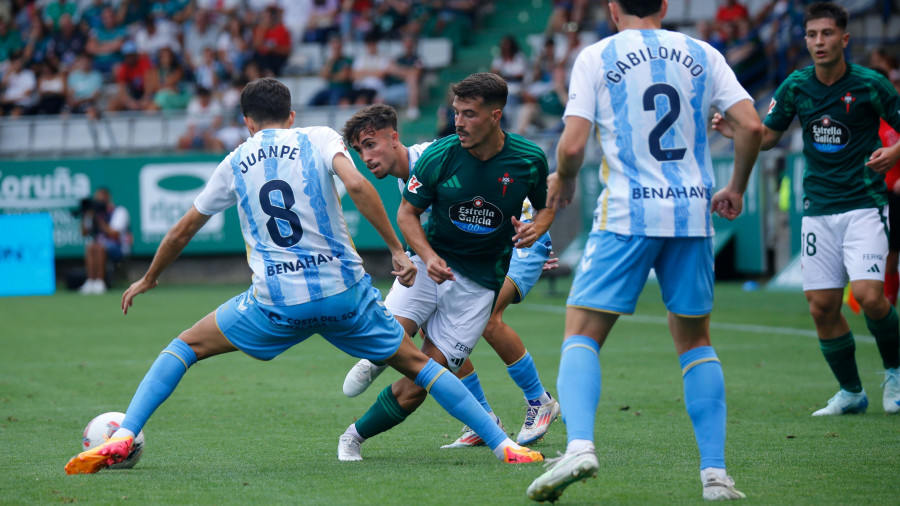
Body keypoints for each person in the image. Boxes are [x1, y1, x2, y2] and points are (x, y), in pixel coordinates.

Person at [63, 77, 542, 475]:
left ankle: (124, 435)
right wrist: (397, 251)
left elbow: (184, 228)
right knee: (421, 366)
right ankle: (506, 446)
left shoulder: (235, 160)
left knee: (184, 347)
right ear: (291, 115)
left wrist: (149, 278)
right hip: (345, 297)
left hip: (275, 303)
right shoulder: (319, 137)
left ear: (248, 123)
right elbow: (356, 185)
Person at [526, 0, 763, 502]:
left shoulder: (597, 55)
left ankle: (581, 446)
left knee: (582, 330)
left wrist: (564, 183)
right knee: (696, 341)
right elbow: (753, 127)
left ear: (612, 9)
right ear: (665, 5)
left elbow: (571, 148)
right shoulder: (702, 52)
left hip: (628, 214)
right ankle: (716, 476)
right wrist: (737, 187)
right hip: (692, 213)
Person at [334, 73, 554, 462]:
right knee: (412, 343)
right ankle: (479, 415)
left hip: (497, 262)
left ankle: (536, 400)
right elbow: (411, 216)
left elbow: (544, 202)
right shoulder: (436, 162)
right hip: (437, 262)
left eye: (468, 114)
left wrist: (538, 233)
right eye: (456, 113)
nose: (366, 159)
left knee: (475, 332)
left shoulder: (459, 156)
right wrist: (416, 255)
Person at [713, 2, 900, 418]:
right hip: (818, 210)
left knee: (871, 297)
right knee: (821, 306)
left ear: (844, 39)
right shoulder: (796, 86)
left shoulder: (873, 84)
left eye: (827, 34)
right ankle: (851, 391)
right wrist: (737, 131)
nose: (819, 42)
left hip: (864, 206)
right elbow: (768, 137)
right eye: (812, 35)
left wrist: (894, 150)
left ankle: (895, 372)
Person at [78, 187, 131, 295]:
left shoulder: (119, 211)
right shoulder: (93, 213)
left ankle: (100, 282)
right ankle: (91, 281)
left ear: (108, 198)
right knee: (90, 246)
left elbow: (114, 233)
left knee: (100, 247)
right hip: (98, 246)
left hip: (118, 247)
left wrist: (99, 221)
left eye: (102, 198)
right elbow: (84, 233)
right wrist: (86, 216)